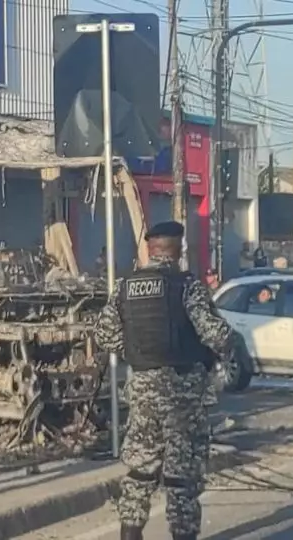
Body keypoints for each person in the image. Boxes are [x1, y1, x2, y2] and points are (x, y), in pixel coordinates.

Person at [94, 221, 239, 540]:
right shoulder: (186, 286)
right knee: (181, 475)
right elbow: (214, 334)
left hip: (143, 390)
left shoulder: (125, 286)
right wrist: (231, 342)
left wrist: (138, 354)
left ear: (150, 249)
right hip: (182, 394)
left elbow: (104, 335)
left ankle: (130, 534)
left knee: (140, 470)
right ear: (178, 250)